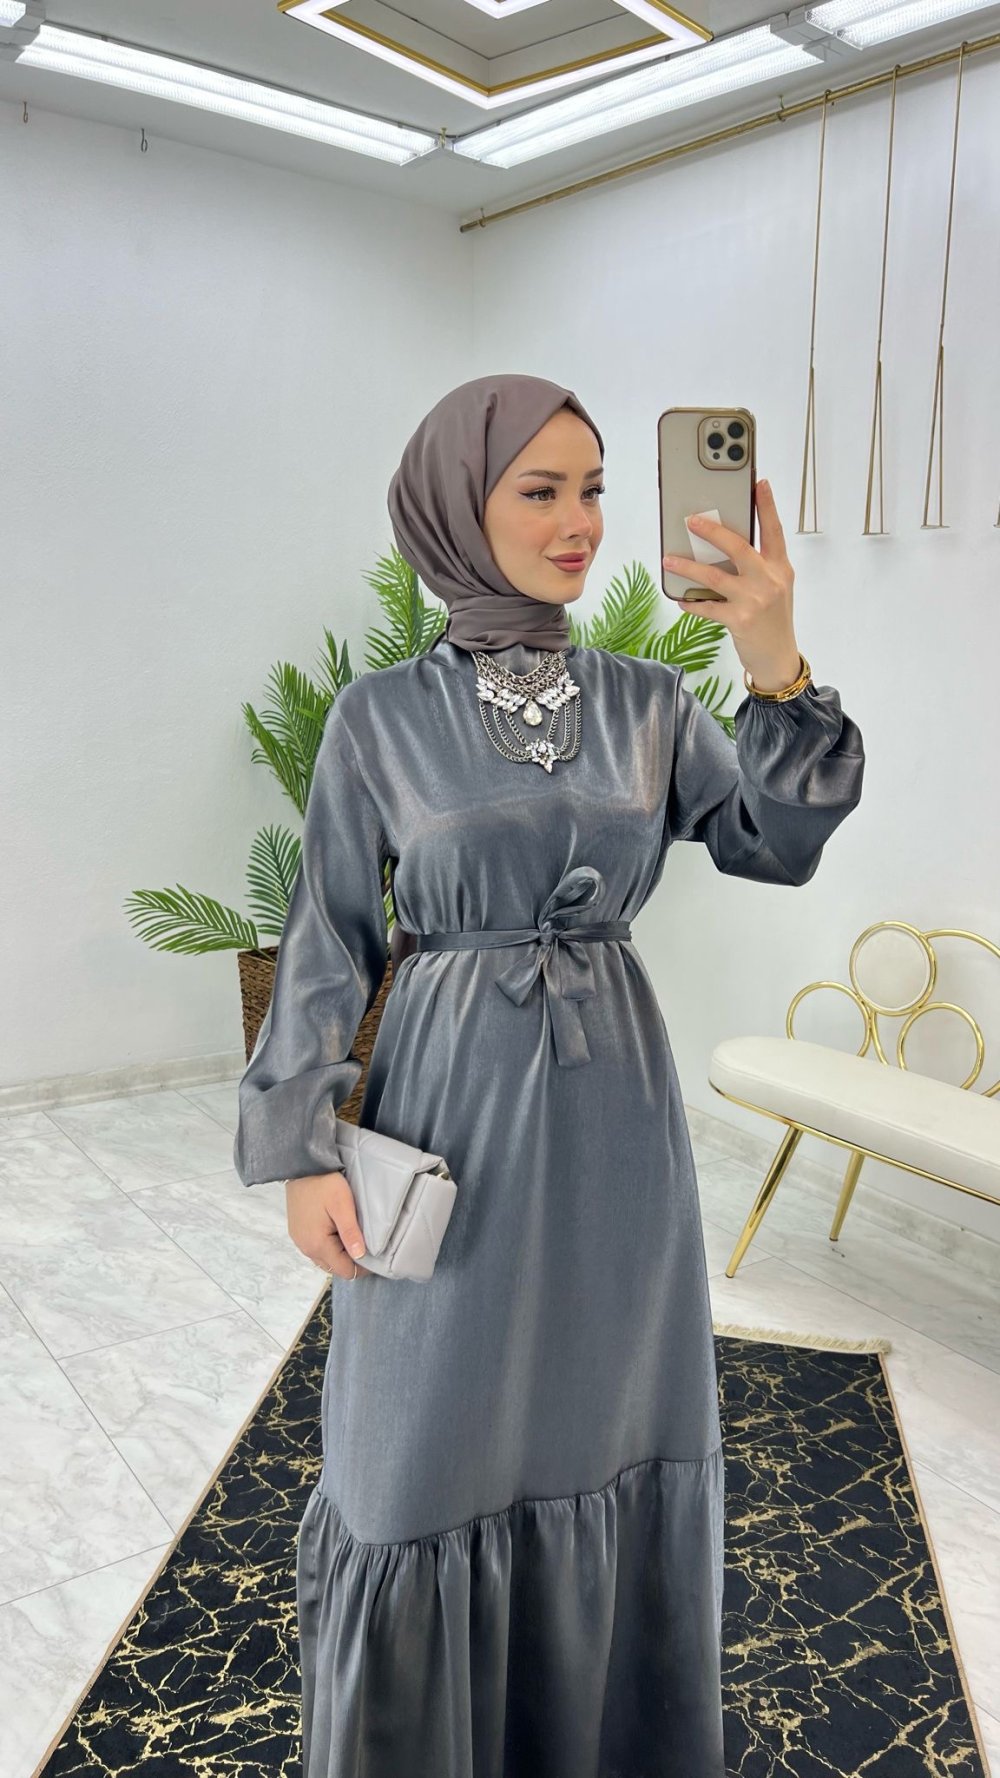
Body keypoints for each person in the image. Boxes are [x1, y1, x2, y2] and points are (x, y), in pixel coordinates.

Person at [232, 372, 865, 1778]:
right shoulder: (380, 718)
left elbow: (773, 840)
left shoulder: (650, 702)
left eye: (595, 491)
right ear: (457, 507)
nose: (580, 522)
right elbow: (328, 933)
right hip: (449, 1107)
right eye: (542, 490)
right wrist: (302, 1145)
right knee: (415, 1446)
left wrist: (774, 659)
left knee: (609, 1416)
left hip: (616, 1114)